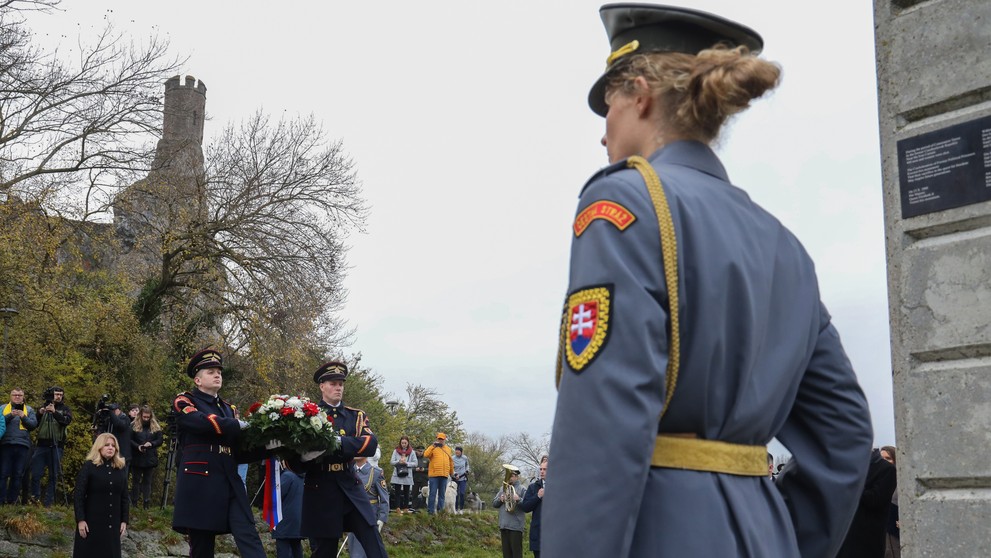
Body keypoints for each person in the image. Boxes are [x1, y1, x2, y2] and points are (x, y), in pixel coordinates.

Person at [543, 5, 874, 558]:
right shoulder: (783, 245)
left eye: (609, 106)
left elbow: (605, 417)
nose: (604, 135)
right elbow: (844, 434)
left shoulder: (622, 201)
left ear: (641, 93)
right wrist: (780, 535)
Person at [171, 348, 269, 558]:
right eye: (210, 371)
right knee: (202, 547)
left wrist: (270, 445)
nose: (217, 375)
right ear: (197, 380)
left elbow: (239, 451)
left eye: (219, 371)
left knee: (248, 534)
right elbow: (199, 422)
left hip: (228, 479)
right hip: (200, 480)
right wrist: (237, 425)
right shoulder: (185, 401)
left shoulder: (227, 408)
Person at [297, 361, 387, 558]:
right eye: (332, 383)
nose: (338, 388)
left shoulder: (355, 416)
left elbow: (370, 445)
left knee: (373, 541)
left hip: (350, 486)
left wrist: (337, 442)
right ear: (322, 386)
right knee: (324, 550)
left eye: (340, 384)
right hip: (321, 488)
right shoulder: (306, 415)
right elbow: (296, 461)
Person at [73, 432, 128, 558]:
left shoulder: (120, 469)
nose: (110, 448)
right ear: (99, 447)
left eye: (113, 446)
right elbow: (79, 495)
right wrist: (80, 520)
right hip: (91, 523)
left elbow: (124, 496)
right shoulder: (89, 466)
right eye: (107, 445)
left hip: (112, 523)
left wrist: (124, 520)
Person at [837, 449, 898, 558]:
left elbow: (875, 499)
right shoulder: (849, 468)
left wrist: (851, 486)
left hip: (868, 537)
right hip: (843, 535)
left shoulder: (887, 469)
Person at [30, 385, 72, 506]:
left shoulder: (65, 409)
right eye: (56, 394)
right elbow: (34, 424)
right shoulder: (42, 407)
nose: (58, 396)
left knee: (53, 475)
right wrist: (39, 413)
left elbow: (66, 421)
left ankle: (48, 503)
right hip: (41, 445)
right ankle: (35, 500)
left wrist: (54, 412)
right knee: (36, 473)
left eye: (60, 394)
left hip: (57, 445)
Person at [348, 454, 390, 558]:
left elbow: (384, 499)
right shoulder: (348, 471)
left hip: (368, 518)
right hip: (352, 517)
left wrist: (382, 518)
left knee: (361, 553)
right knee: (353, 550)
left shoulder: (375, 472)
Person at [0, 388, 37, 504]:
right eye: (15, 395)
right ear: (10, 396)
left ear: (23, 397)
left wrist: (23, 417)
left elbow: (33, 425)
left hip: (22, 445)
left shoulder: (29, 409)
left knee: (18, 474)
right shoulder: (2, 408)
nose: (17, 397)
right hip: (6, 444)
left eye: (19, 395)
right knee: (3, 473)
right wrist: (10, 415)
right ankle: (1, 501)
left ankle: (12, 501)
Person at [129, 405, 163, 509]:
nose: (146, 419)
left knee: (147, 481)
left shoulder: (156, 427)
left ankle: (146, 504)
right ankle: (134, 503)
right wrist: (138, 446)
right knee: (136, 480)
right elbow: (129, 440)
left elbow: (160, 440)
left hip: (150, 457)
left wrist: (151, 444)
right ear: (141, 416)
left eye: (148, 417)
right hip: (137, 456)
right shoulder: (133, 425)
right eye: (144, 417)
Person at [271, 461, 305, 558]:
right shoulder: (301, 477)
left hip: (284, 520)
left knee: (283, 550)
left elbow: (276, 496)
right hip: (298, 520)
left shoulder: (287, 476)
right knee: (296, 548)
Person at [492, 465, 526, 558]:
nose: (509, 477)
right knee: (506, 554)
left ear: (516, 476)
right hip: (504, 525)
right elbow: (494, 504)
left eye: (512, 475)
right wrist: (500, 499)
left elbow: (527, 506)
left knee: (516, 554)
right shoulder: (502, 488)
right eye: (508, 475)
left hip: (515, 526)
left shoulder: (522, 489)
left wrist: (519, 499)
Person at [519, 458, 547, 558]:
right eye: (541, 469)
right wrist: (537, 496)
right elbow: (525, 507)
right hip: (538, 534)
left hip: (554, 535)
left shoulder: (559, 486)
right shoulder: (533, 487)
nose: (542, 472)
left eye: (545, 469)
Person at [423, 432, 453, 514]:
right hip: (434, 475)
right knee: (432, 493)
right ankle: (430, 511)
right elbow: (425, 454)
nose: (440, 441)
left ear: (444, 440)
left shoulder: (448, 449)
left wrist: (451, 472)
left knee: (442, 495)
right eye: (439, 439)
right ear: (437, 439)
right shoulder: (433, 448)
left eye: (442, 439)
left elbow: (450, 461)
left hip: (444, 475)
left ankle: (440, 512)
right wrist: (432, 446)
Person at [389, 435, 417, 514]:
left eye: (405, 443)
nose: (403, 444)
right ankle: (397, 508)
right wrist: (399, 462)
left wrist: (406, 463)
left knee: (406, 492)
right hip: (398, 473)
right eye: (402, 443)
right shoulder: (396, 450)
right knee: (397, 492)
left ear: (408, 443)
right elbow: (391, 462)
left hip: (407, 474)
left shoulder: (412, 452)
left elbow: (415, 463)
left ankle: (405, 508)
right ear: (400, 443)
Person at [880, 446, 899, 558]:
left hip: (897, 530)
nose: (885, 462)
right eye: (882, 459)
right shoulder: (875, 481)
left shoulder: (901, 481)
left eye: (888, 458)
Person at [452, 445, 470, 513]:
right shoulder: (452, 458)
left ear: (461, 452)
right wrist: (455, 474)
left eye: (458, 451)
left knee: (462, 493)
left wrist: (467, 470)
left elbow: (467, 465)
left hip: (463, 478)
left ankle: (461, 509)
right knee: (455, 494)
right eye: (456, 451)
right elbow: (451, 467)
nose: (457, 452)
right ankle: (455, 509)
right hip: (455, 478)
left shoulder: (465, 458)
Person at [410, 445, 428, 511]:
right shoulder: (413, 458)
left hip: (424, 479)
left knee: (425, 494)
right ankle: (414, 507)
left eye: (422, 451)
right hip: (415, 478)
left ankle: (424, 507)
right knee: (414, 493)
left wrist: (424, 469)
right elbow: (409, 468)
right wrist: (415, 469)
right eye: (419, 451)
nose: (420, 452)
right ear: (416, 451)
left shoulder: (427, 459)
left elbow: (430, 469)